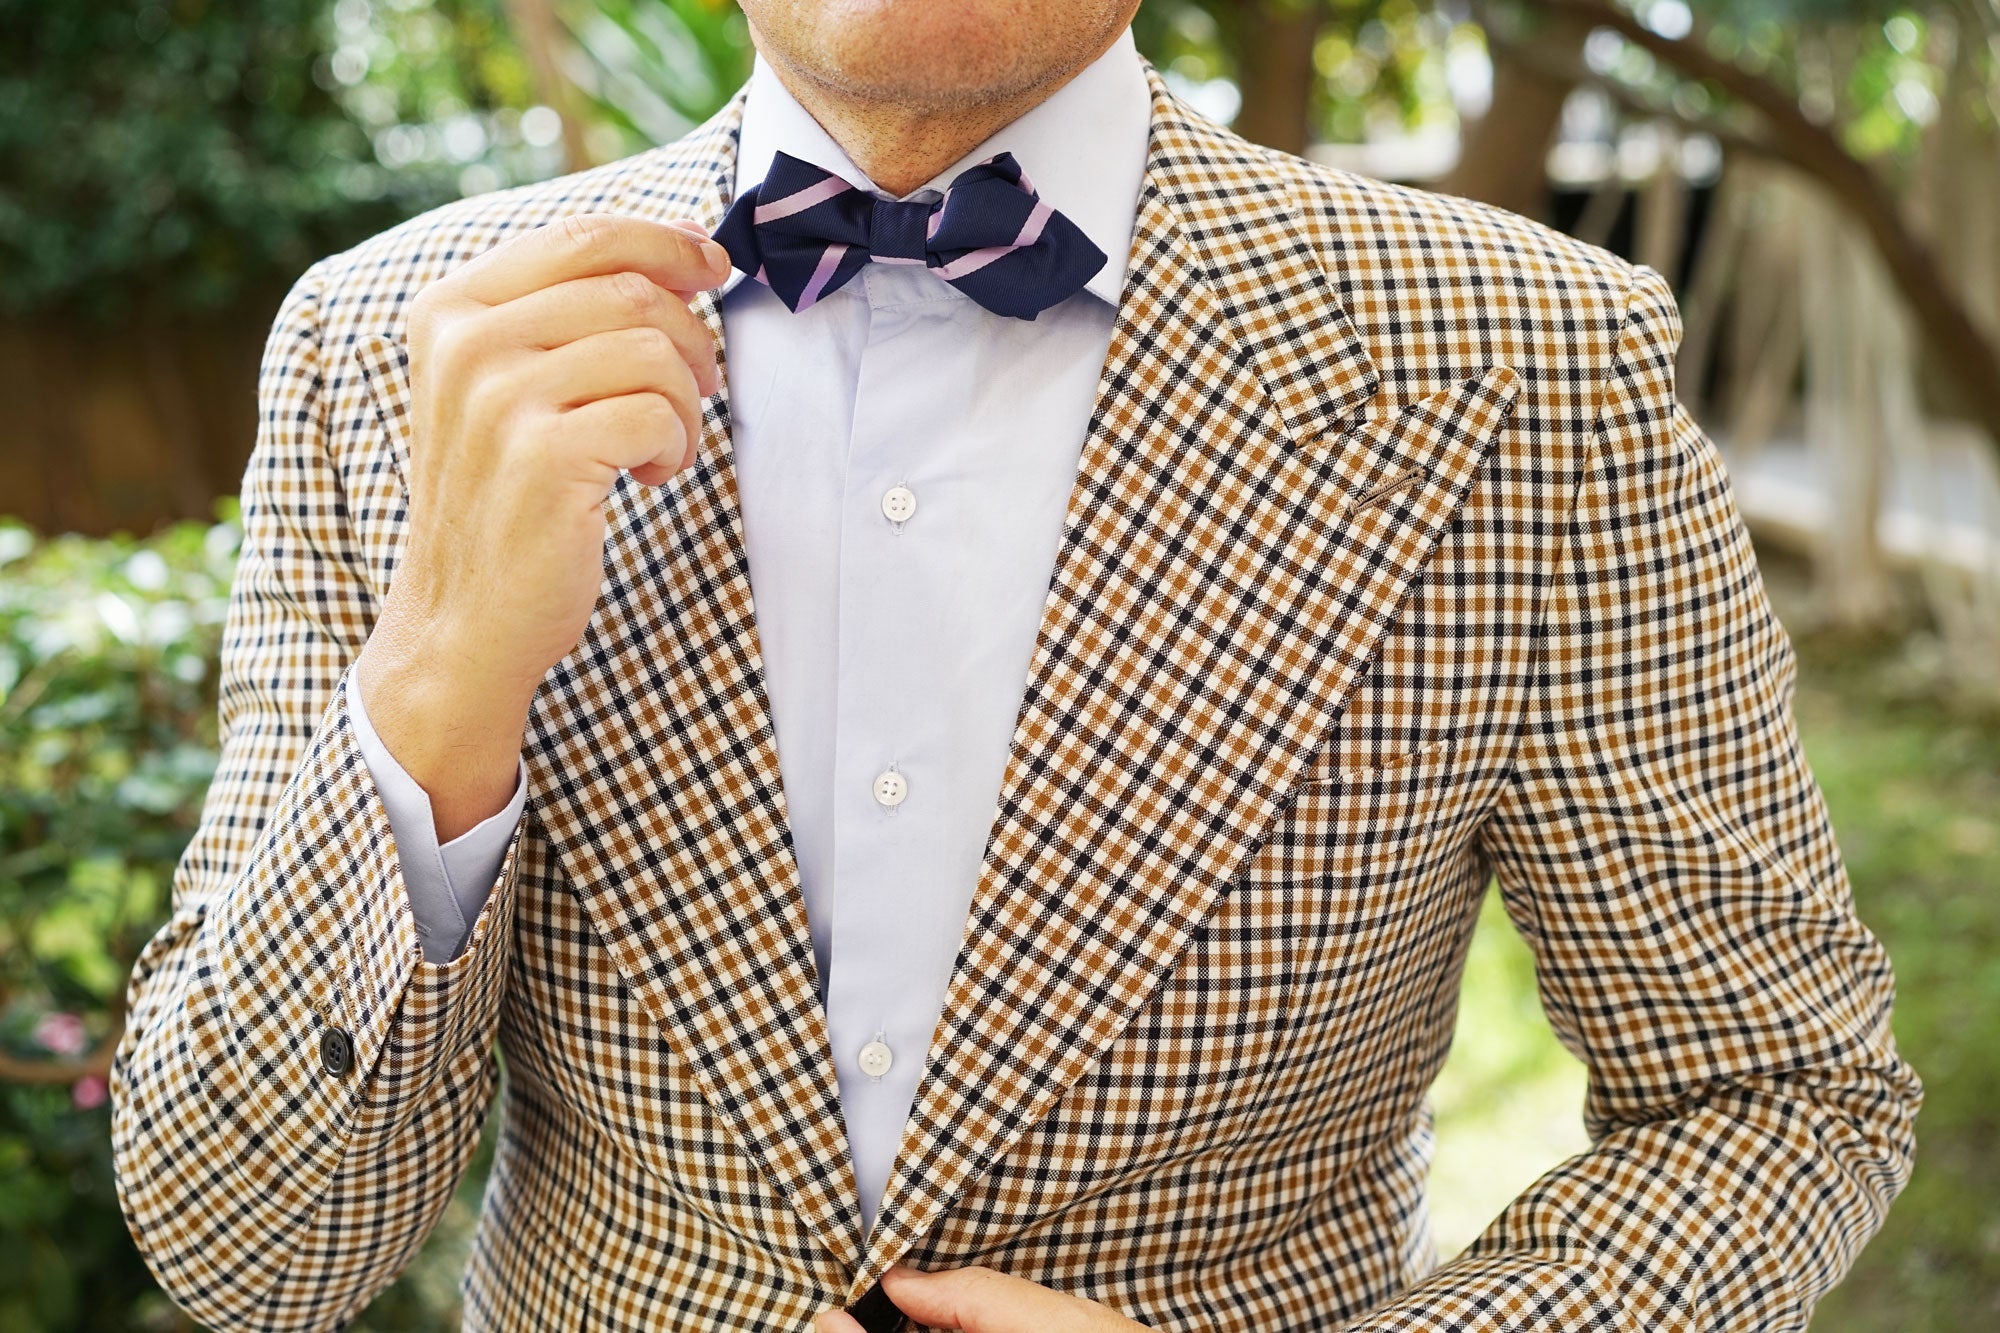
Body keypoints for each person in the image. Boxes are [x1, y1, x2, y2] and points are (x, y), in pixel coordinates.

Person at [108, 1, 1922, 1329]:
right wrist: (435, 684)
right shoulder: (391, 349)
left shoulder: (1529, 362)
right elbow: (249, 1247)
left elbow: (1778, 1096)